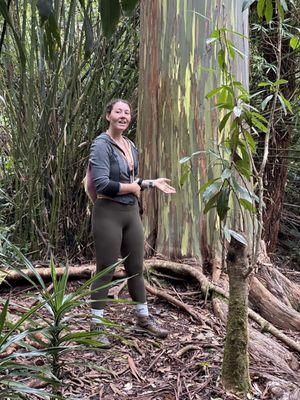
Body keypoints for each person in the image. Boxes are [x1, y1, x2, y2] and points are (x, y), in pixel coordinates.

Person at [88, 99, 176, 347]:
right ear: (109, 116)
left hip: (130, 213)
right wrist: (135, 187)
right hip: (108, 213)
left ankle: (143, 319)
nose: (123, 116)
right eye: (118, 112)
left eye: (127, 113)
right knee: (106, 268)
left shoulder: (130, 145)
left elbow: (132, 179)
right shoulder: (100, 145)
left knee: (136, 267)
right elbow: (102, 184)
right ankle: (96, 326)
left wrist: (150, 183)